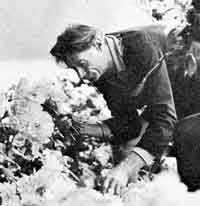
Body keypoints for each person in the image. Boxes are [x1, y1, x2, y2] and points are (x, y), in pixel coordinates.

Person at [50, 24, 177, 195]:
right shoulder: (102, 70)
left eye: (82, 63)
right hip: (166, 107)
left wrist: (125, 169)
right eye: (75, 69)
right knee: (124, 150)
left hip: (189, 101)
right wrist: (85, 128)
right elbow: (129, 126)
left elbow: (165, 118)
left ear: (98, 43)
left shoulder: (140, 47)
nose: (80, 75)